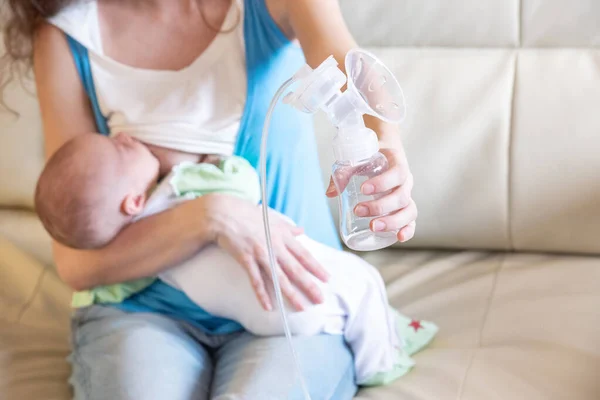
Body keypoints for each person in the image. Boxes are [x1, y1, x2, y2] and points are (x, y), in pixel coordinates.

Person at [1, 0, 419, 398]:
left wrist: (388, 148)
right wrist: (211, 216)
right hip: (142, 311)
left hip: (293, 300)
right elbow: (77, 262)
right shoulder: (66, 35)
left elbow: (350, 69)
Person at [33, 133, 437, 386]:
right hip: (290, 286)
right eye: (119, 147)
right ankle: (381, 362)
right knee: (364, 283)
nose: (123, 135)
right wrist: (209, 161)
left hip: (261, 316)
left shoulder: (140, 252)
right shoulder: (182, 185)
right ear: (134, 200)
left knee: (337, 307)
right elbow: (242, 181)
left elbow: (108, 283)